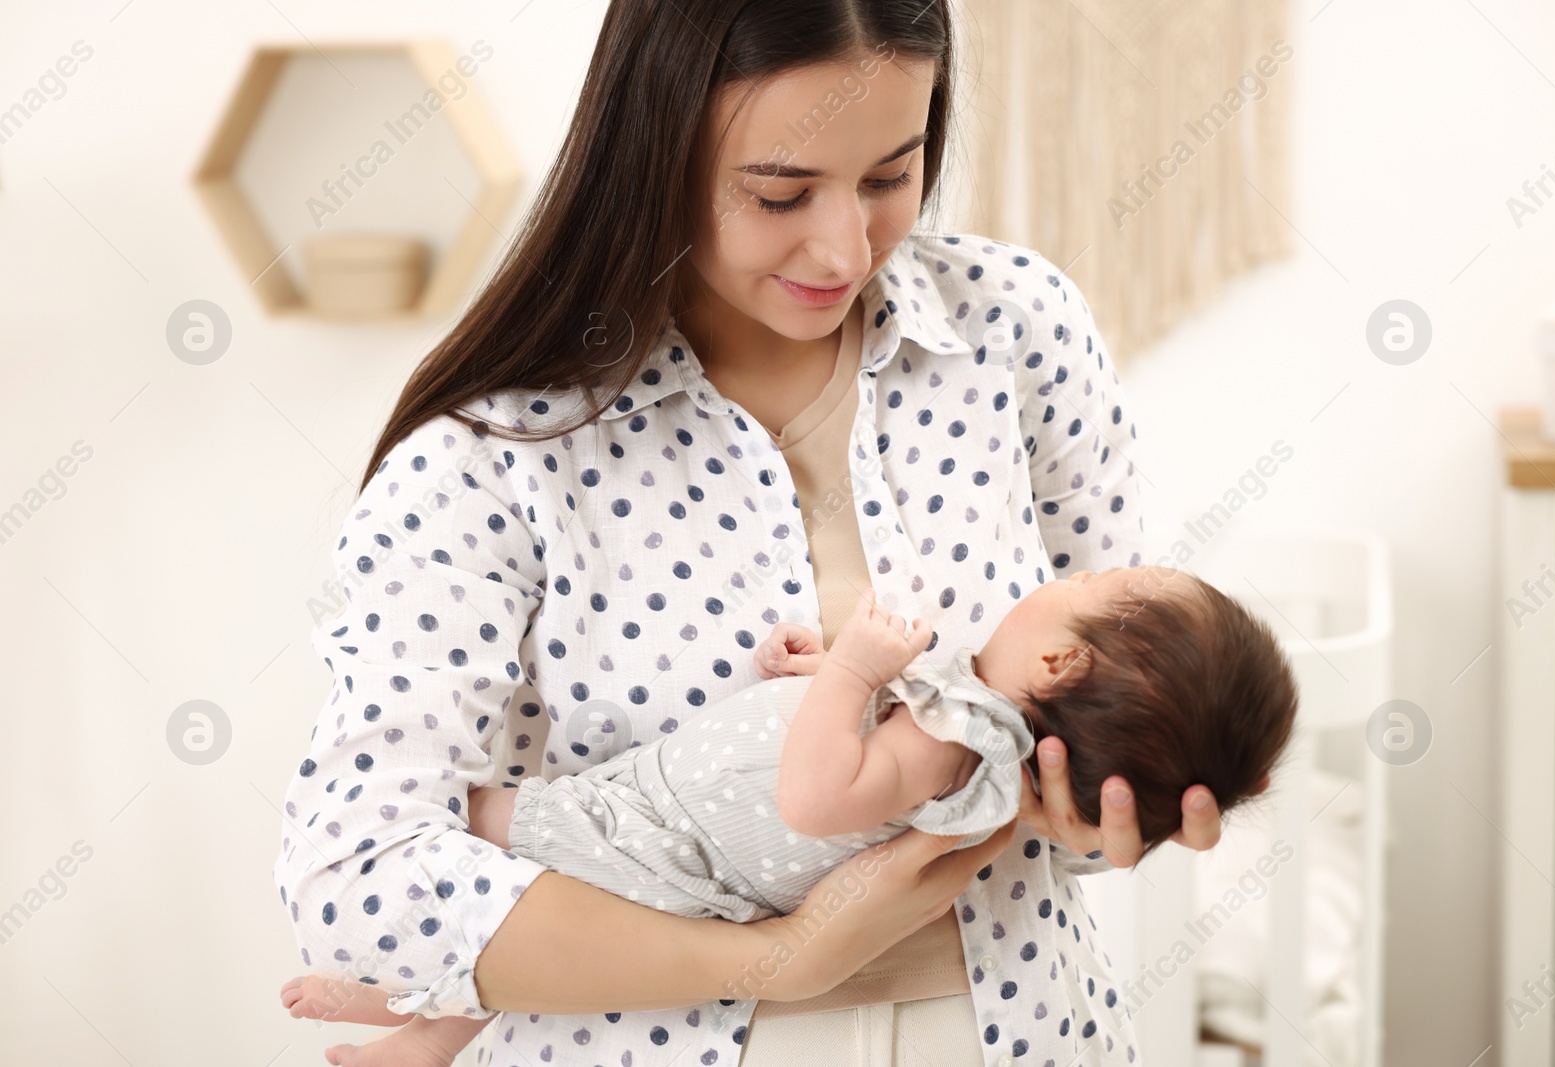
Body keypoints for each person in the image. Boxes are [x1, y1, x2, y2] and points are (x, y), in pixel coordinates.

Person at [271, 2, 1236, 1063]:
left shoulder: (1011, 331)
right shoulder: (497, 454)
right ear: (654, 153)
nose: (843, 246)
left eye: (888, 177)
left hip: (1027, 1031)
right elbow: (359, 877)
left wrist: (1112, 806)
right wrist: (779, 959)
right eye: (779, 191)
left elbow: (1112, 693)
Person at [281, 569, 1293, 1065]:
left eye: (1095, 583)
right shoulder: (965, 726)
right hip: (674, 830)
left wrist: (852, 665)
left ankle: (408, 1017)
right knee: (525, 904)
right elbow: (857, 737)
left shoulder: (956, 743)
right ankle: (417, 1038)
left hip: (668, 837)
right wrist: (821, 672)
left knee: (482, 826)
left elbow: (820, 795)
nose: (1060, 572)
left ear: (1061, 661)